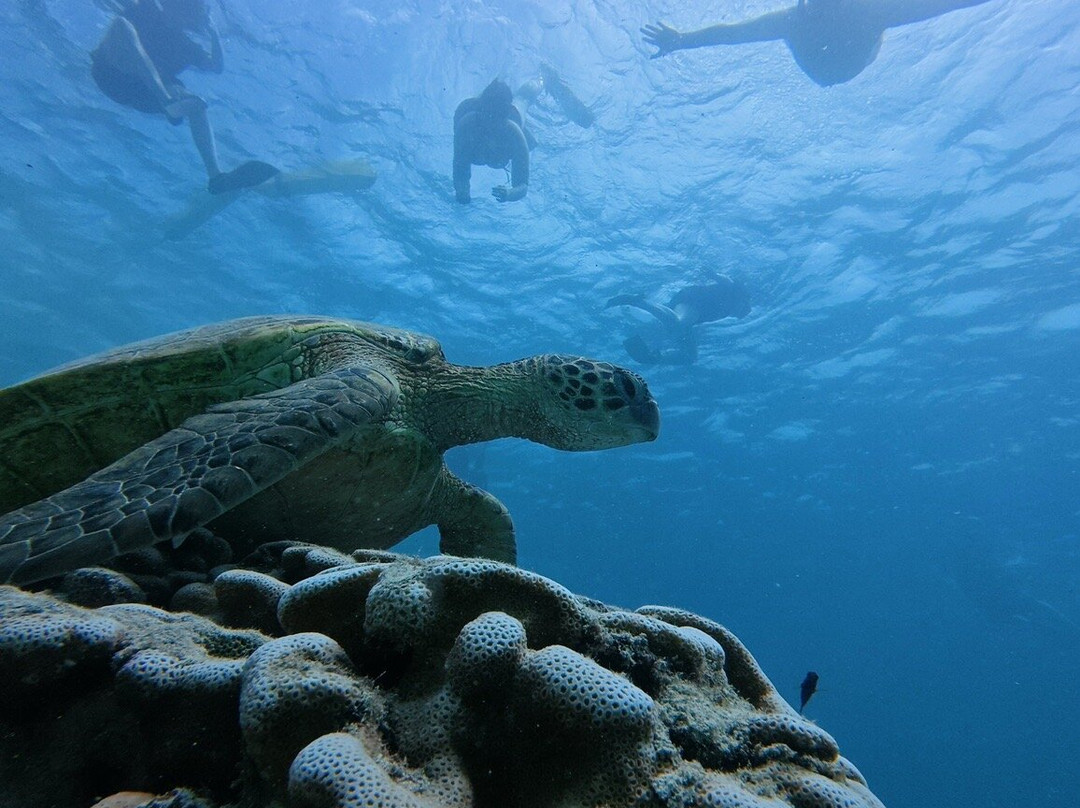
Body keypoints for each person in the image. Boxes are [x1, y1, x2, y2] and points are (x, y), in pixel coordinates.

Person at [91, 0, 278, 194]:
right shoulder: (145, 9)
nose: (179, 19)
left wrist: (213, 31)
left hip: (142, 94)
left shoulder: (186, 46)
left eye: (187, 16)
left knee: (197, 105)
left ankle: (216, 177)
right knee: (121, 25)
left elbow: (215, 66)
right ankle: (166, 100)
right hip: (111, 74)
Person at [642, 0, 997, 87]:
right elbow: (730, 33)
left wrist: (682, 41)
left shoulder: (871, 10)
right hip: (829, 64)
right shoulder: (791, 20)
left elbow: (940, 4)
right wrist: (682, 40)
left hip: (843, 62)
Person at [607, 276, 750, 365]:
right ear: (743, 301)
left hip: (692, 316)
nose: (736, 314)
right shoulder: (736, 292)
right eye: (741, 311)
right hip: (691, 300)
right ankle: (638, 301)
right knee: (680, 323)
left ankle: (654, 358)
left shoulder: (726, 311)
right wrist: (713, 274)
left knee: (690, 357)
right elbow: (727, 281)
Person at [453, 79, 530, 204]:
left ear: (505, 115)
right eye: (488, 114)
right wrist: (463, 196)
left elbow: (522, 185)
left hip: (512, 124)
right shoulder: (466, 125)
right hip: (482, 133)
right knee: (518, 98)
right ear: (481, 109)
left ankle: (541, 80)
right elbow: (460, 170)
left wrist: (509, 194)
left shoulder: (515, 134)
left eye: (496, 117)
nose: (491, 124)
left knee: (522, 99)